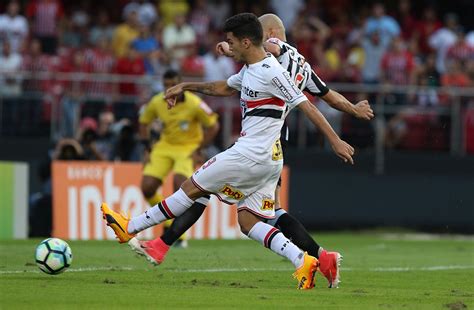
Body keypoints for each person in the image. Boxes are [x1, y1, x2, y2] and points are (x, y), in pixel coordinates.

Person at [102, 13, 355, 290]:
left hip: (249, 154)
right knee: (248, 221)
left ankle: (132, 228)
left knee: (191, 188)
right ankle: (303, 261)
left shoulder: (271, 70)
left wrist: (335, 140)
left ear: (247, 41)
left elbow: (306, 105)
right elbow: (221, 87)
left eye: (231, 42)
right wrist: (186, 85)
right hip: (269, 159)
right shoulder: (251, 68)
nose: (227, 47)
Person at [135, 69, 220, 246]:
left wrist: (199, 149)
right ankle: (167, 222)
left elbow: (213, 126)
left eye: (172, 84)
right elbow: (144, 122)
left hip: (187, 148)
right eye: (165, 85)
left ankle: (179, 235)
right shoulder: (158, 102)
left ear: (181, 85)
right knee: (147, 187)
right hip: (165, 146)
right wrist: (147, 148)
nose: (169, 88)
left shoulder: (195, 103)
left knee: (181, 186)